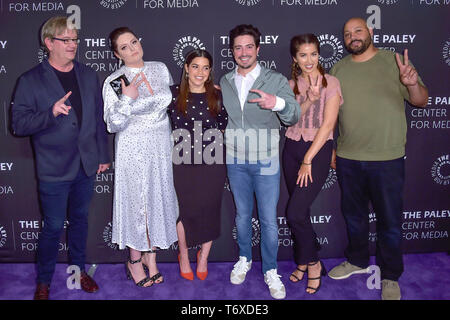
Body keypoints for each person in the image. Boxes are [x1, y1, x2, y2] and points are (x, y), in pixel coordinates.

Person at [328, 17, 428, 300]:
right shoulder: (338, 69)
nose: (353, 37)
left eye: (358, 31)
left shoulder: (393, 62)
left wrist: (411, 84)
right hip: (348, 158)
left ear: (370, 32)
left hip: (387, 158)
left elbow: (421, 100)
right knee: (354, 217)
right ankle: (357, 261)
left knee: (390, 222)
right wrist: (331, 148)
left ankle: (391, 275)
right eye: (347, 34)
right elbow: (329, 115)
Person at [11, 16, 111, 300]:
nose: (73, 45)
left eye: (75, 39)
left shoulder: (89, 74)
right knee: (53, 226)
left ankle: (78, 272)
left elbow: (97, 119)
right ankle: (44, 281)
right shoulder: (30, 80)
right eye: (66, 40)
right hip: (54, 169)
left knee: (80, 221)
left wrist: (102, 155)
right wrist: (50, 113)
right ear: (49, 43)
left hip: (86, 165)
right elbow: (18, 125)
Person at [220, 24, 300, 299]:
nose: (243, 52)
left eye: (249, 46)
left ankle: (270, 270)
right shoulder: (226, 80)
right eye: (238, 47)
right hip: (235, 159)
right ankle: (244, 258)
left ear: (258, 49)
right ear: (232, 50)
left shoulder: (275, 80)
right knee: (242, 216)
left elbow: (293, 115)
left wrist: (277, 103)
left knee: (267, 220)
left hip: (266, 159)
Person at [103, 27, 178, 287]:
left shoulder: (160, 68)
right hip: (132, 147)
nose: (132, 48)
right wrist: (125, 99)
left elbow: (167, 100)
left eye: (134, 42)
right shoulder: (115, 79)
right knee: (136, 203)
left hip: (159, 145)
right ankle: (134, 261)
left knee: (157, 199)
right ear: (117, 53)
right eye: (124, 47)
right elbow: (112, 123)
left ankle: (151, 259)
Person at [283, 34, 342, 294]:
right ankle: (304, 261)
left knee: (294, 212)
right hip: (291, 148)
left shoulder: (332, 83)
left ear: (319, 54)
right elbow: (290, 121)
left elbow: (328, 124)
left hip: (316, 152)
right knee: (301, 212)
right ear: (295, 58)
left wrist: (308, 159)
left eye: (314, 54)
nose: (309, 60)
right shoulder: (290, 85)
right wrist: (308, 99)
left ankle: (314, 263)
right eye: (303, 55)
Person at [168, 49, 228, 281]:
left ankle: (203, 257)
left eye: (205, 68)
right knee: (184, 211)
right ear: (186, 67)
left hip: (212, 162)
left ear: (210, 71)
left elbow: (223, 126)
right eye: (195, 66)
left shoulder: (218, 95)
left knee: (210, 209)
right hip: (182, 161)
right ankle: (183, 255)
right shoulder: (172, 94)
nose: (200, 72)